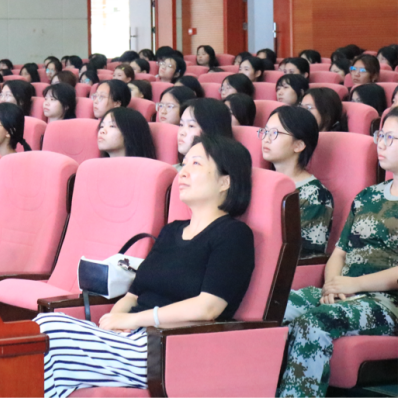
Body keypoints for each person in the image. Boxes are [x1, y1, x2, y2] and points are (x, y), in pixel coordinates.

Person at [35, 134, 254, 397]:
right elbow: (133, 295)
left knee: (50, 333)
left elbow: (207, 308)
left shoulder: (234, 235)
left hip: (166, 347)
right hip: (131, 337)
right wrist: (113, 323)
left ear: (224, 181)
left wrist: (133, 319)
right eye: (184, 163)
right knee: (44, 327)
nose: (183, 172)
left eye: (196, 164)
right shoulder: (171, 231)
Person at [277, 108, 398, 398]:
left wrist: (352, 284)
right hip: (343, 289)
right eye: (380, 136)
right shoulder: (368, 196)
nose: (381, 144)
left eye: (391, 138)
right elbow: (340, 252)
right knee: (274, 309)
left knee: (313, 323)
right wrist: (332, 285)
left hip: (386, 303)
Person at [260, 106, 333, 256]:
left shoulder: (316, 196)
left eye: (274, 133)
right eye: (265, 131)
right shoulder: (260, 182)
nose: (266, 139)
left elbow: (301, 253)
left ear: (298, 145)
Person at [176, 98, 234, 170]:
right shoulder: (173, 170)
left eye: (191, 126)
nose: (181, 132)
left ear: (212, 130)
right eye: (181, 124)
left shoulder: (215, 174)